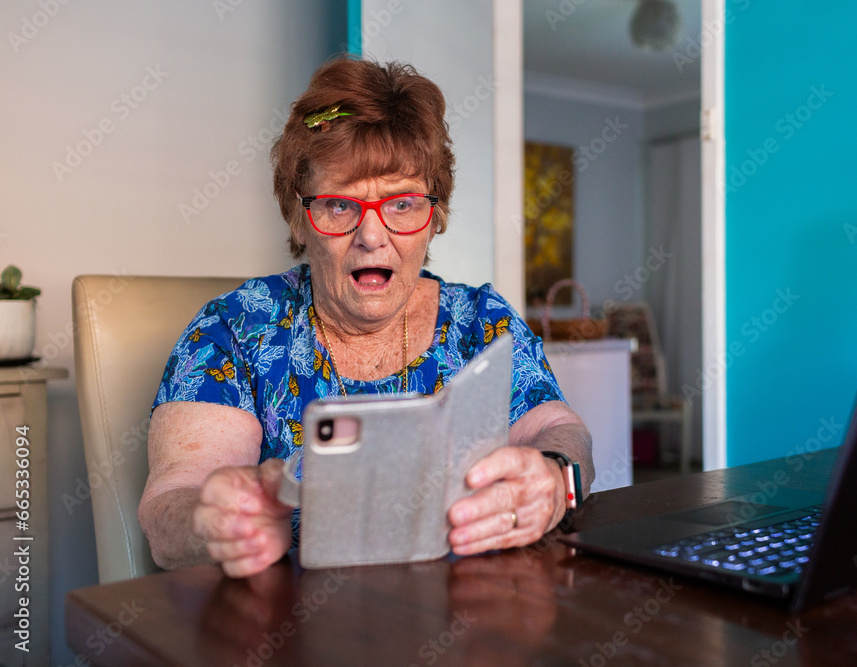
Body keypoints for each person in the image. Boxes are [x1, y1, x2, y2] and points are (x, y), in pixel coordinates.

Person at [138, 58, 595, 578]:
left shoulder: (481, 322)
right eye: (339, 206)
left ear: (435, 214)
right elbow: (167, 511)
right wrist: (213, 521)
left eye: (402, 204)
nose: (372, 236)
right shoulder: (235, 331)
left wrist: (556, 479)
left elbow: (560, 428)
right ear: (298, 217)